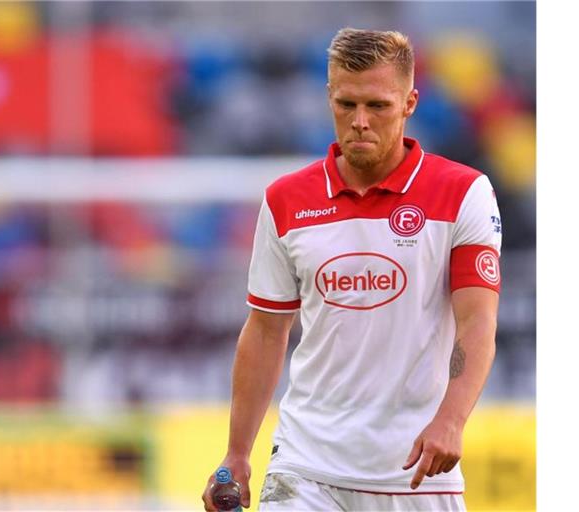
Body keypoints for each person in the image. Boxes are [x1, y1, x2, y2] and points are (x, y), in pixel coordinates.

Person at [201, 27, 501, 511]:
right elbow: (264, 331)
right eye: (346, 104)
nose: (360, 121)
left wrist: (452, 418)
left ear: (409, 102)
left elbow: (477, 320)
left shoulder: (463, 193)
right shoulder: (285, 200)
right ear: (328, 98)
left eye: (378, 106)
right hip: (306, 466)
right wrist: (237, 453)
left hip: (417, 472)